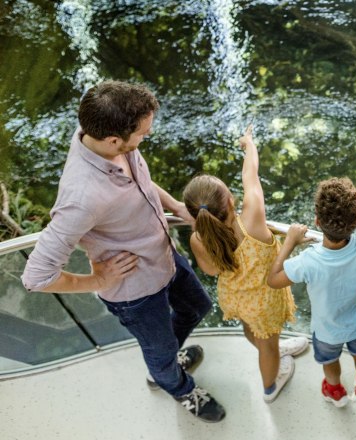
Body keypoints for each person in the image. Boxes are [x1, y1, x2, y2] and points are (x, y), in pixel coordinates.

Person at [21, 80, 226, 422]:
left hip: (162, 255)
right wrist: (99, 279)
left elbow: (140, 181)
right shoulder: (80, 198)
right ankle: (177, 386)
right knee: (158, 352)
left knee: (197, 306)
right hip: (134, 291)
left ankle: (167, 361)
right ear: (115, 140)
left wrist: (176, 206)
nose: (146, 137)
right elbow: (36, 277)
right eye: (143, 135)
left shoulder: (107, 138)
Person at [182, 124, 307, 404]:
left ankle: (271, 346)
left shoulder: (198, 239)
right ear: (230, 200)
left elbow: (212, 270)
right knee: (268, 347)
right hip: (264, 300)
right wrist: (248, 144)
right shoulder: (251, 218)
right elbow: (250, 174)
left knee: (252, 330)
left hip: (237, 297)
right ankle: (270, 386)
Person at [267, 177, 356, 408]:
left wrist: (290, 242)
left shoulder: (308, 261)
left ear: (317, 221)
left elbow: (273, 280)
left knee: (330, 360)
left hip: (327, 330)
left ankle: (335, 391)